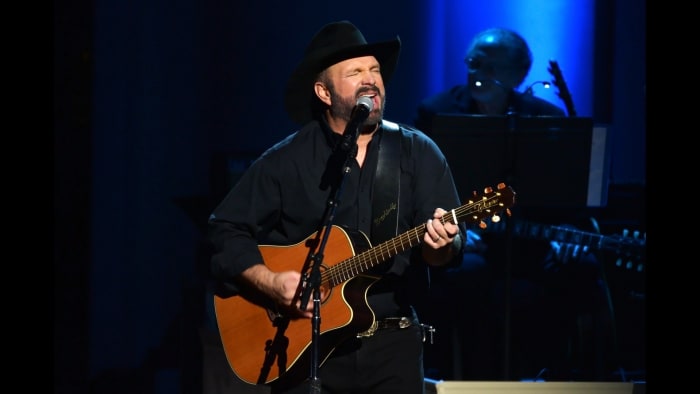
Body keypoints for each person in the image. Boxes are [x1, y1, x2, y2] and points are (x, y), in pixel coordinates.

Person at [208, 20, 474, 394]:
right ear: (323, 92)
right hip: (305, 350)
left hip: (392, 346)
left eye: (375, 70)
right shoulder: (287, 160)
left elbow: (445, 254)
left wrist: (441, 245)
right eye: (355, 72)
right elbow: (224, 229)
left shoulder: (418, 153)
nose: (371, 79)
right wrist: (270, 283)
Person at [411, 27, 609, 381]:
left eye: (490, 67)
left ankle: (556, 376)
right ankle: (465, 377)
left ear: (517, 75)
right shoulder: (436, 112)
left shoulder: (545, 117)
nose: (477, 73)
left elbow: (568, 194)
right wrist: (451, 229)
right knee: (465, 275)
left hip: (528, 243)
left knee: (581, 269)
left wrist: (567, 234)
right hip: (470, 242)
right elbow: (418, 186)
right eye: (473, 63)